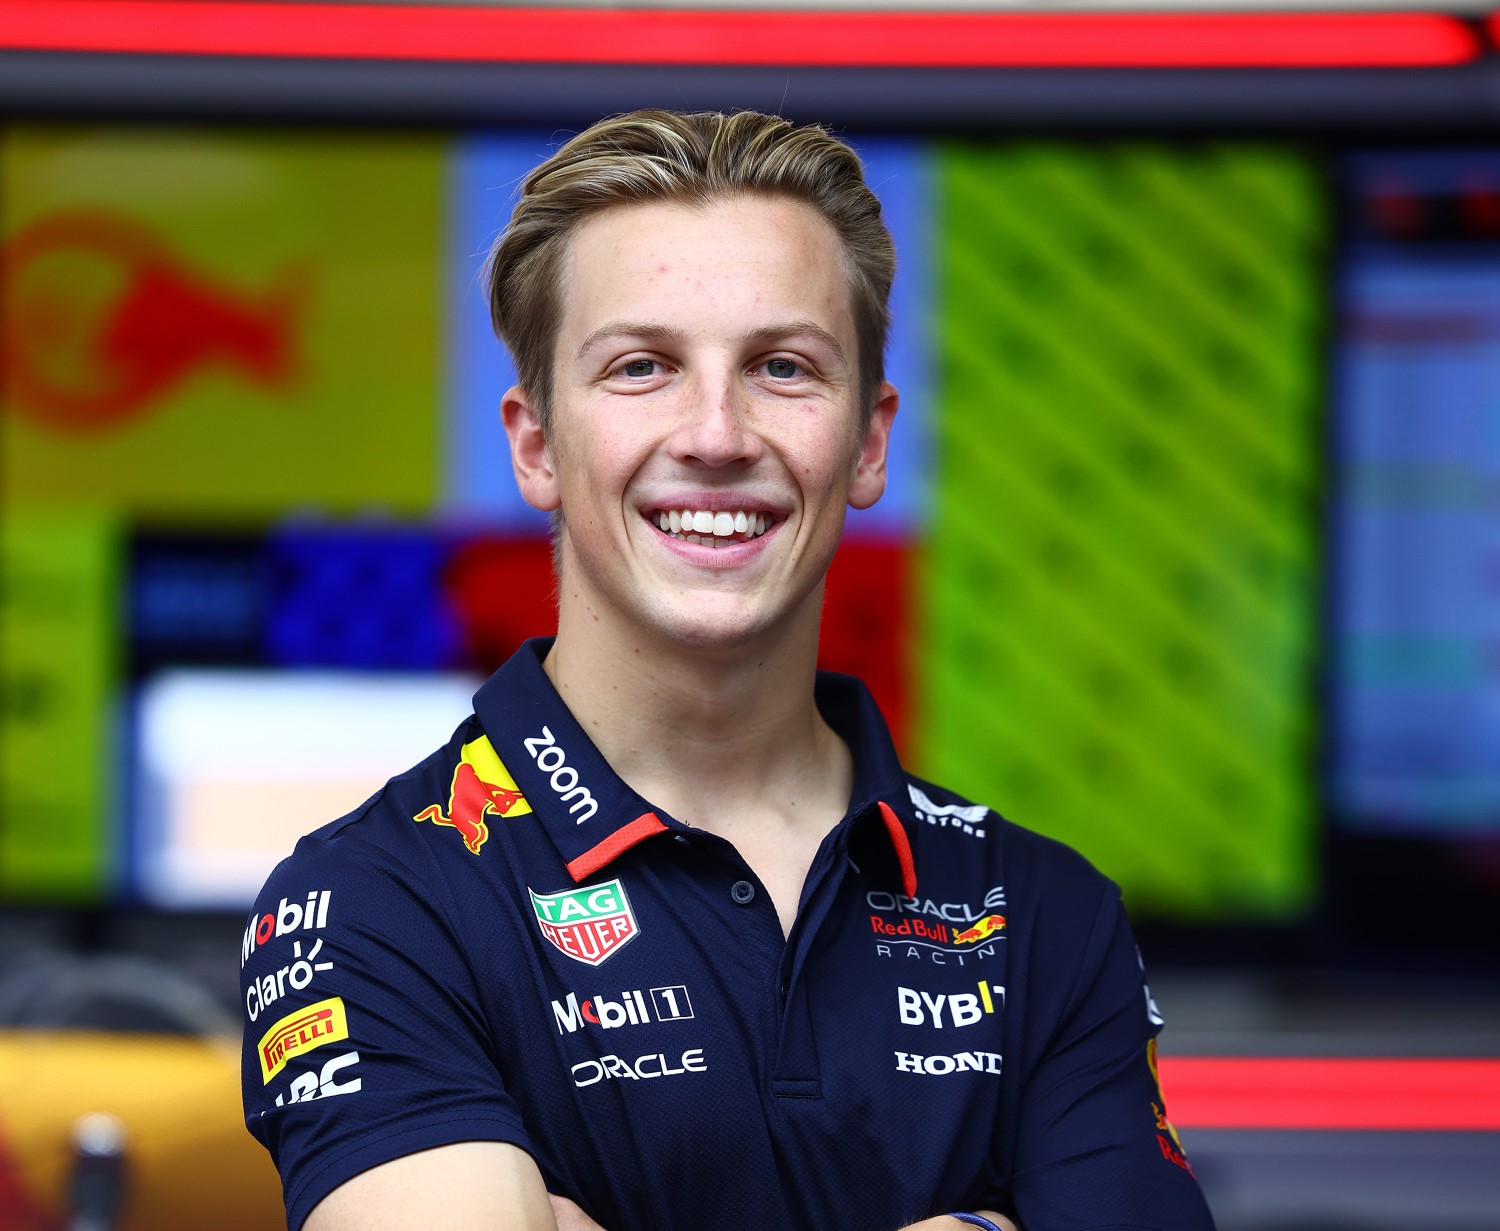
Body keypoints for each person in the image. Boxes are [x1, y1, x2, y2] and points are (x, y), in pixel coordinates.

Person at [239, 108, 1216, 1231]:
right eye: (642, 366)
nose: (715, 433)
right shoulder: (372, 901)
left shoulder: (1043, 912)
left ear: (868, 442)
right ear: (536, 444)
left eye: (783, 366)